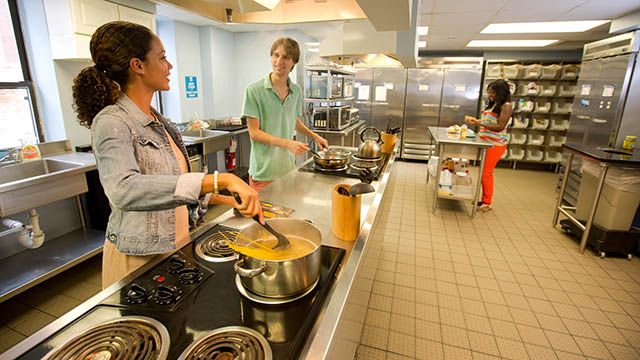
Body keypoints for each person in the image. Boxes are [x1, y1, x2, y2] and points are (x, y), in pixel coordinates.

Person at [72, 21, 262, 289]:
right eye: (162, 58)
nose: (169, 66)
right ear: (138, 65)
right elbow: (124, 189)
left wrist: (228, 199)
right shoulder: (111, 121)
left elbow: (174, 185)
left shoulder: (160, 122)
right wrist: (221, 181)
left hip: (175, 243)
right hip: (138, 256)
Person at [242, 37, 329, 191]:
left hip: (287, 169)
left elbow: (293, 120)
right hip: (264, 173)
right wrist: (287, 143)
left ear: (294, 62)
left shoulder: (296, 91)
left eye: (286, 57)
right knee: (265, 215)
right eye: (276, 55)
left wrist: (315, 136)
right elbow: (254, 133)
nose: (279, 61)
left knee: (287, 214)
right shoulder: (253, 91)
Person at [464, 79, 512, 212]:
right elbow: (488, 121)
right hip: (485, 142)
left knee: (486, 173)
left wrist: (479, 124)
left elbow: (499, 127)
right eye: (489, 92)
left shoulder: (506, 106)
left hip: (495, 144)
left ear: (500, 92)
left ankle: (487, 202)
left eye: (493, 93)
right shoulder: (494, 104)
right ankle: (484, 199)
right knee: (483, 172)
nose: (490, 95)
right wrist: (477, 121)